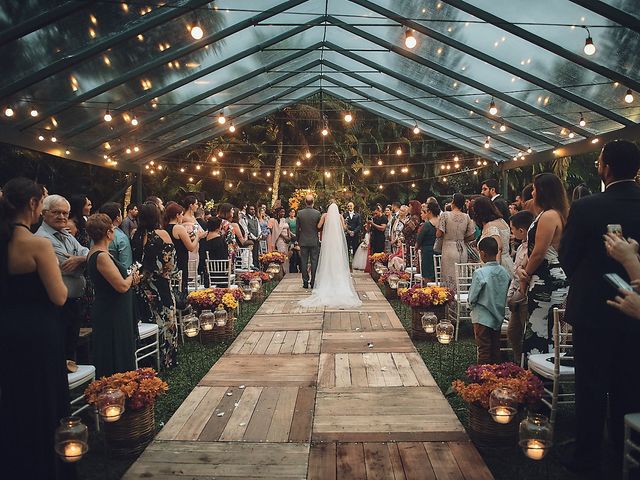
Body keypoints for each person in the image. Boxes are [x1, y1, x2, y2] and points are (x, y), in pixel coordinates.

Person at [559, 139, 640, 475]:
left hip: (593, 311)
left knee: (590, 386)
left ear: (605, 166)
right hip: (636, 313)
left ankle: (587, 457)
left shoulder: (587, 207)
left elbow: (567, 256)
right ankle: (623, 451)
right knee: (630, 384)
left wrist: (591, 277)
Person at [0, 178, 73, 480]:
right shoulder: (37, 244)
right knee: (43, 399)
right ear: (32, 204)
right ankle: (48, 466)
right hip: (39, 333)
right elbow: (59, 296)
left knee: (15, 398)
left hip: (7, 331)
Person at [518, 173, 569, 361]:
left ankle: (539, 373)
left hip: (547, 279)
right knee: (542, 327)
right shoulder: (554, 213)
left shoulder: (549, 216)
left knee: (539, 328)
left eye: (534, 188)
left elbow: (539, 252)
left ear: (542, 191)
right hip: (546, 276)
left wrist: (526, 273)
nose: (532, 192)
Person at [36, 194, 89, 366]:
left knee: (70, 348)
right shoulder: (43, 238)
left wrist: (81, 259)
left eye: (65, 213)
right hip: (57, 305)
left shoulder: (65, 234)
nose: (62, 217)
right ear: (44, 213)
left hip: (73, 302)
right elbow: (67, 267)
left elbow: (86, 252)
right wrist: (83, 260)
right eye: (56, 212)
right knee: (59, 350)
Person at [86, 213, 138, 377]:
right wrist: (132, 276)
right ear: (108, 233)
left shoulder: (96, 253)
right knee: (116, 351)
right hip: (112, 311)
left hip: (114, 308)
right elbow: (122, 286)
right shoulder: (101, 256)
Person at [131, 203, 178, 370]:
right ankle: (167, 359)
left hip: (141, 287)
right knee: (167, 321)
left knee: (148, 321)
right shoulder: (162, 234)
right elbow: (171, 264)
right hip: (161, 285)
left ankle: (148, 360)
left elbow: (134, 262)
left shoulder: (135, 235)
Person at [299, 202, 362, 308]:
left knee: (326, 260)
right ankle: (338, 281)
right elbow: (343, 228)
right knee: (337, 260)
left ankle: (324, 280)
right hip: (337, 243)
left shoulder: (324, 215)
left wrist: (324, 225)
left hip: (327, 241)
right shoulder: (340, 216)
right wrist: (345, 224)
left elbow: (318, 226)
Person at [468, 237, 510, 364]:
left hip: (482, 316)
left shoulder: (480, 273)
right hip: (498, 315)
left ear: (482, 253)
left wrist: (471, 305)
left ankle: (483, 376)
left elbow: (472, 296)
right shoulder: (504, 272)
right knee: (495, 346)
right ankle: (496, 373)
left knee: (484, 348)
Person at [506, 210, 534, 365]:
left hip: (525, 294)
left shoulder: (530, 247)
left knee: (524, 331)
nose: (511, 233)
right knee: (513, 331)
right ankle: (518, 360)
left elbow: (523, 273)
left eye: (512, 229)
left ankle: (525, 363)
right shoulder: (522, 247)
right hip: (516, 292)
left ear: (522, 231)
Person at [164, 202, 205, 291]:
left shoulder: (165, 227)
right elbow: (191, 247)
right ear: (177, 215)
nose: (183, 217)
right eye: (182, 214)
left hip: (169, 262)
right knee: (181, 288)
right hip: (180, 260)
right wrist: (197, 236)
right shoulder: (179, 228)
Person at [437, 193, 475, 288]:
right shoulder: (466, 217)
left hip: (448, 248)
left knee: (448, 274)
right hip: (462, 249)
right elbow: (472, 236)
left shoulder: (445, 215)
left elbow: (439, 234)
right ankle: (460, 294)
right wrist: (462, 239)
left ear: (453, 202)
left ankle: (448, 298)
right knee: (461, 275)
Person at [472, 196, 514, 275]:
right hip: (507, 262)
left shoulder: (490, 226)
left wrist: (494, 272)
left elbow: (498, 248)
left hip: (496, 268)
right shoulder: (502, 221)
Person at [296, 194, 322, 289]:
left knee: (303, 262)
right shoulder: (317, 213)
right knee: (314, 262)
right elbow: (319, 228)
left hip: (303, 240)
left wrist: (297, 240)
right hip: (314, 240)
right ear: (313, 202)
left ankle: (305, 282)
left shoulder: (299, 213)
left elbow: (297, 229)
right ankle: (313, 281)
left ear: (305, 202)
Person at [99, 202, 133, 268]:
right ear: (117, 218)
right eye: (120, 214)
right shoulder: (121, 238)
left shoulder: (95, 234)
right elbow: (126, 265)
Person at [416, 201, 440, 282]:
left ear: (429, 211)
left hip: (427, 253)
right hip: (439, 251)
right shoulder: (441, 222)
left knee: (427, 277)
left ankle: (427, 293)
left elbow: (419, 240)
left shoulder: (427, 225)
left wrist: (416, 248)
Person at [268, 206, 290, 271]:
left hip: (287, 240)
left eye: (284, 212)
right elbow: (277, 231)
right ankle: (282, 271)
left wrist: (289, 237)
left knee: (286, 256)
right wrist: (284, 237)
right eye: (281, 212)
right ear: (278, 213)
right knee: (282, 255)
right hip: (280, 240)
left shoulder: (284, 220)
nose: (283, 213)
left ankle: (286, 271)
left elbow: (288, 228)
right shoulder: (275, 221)